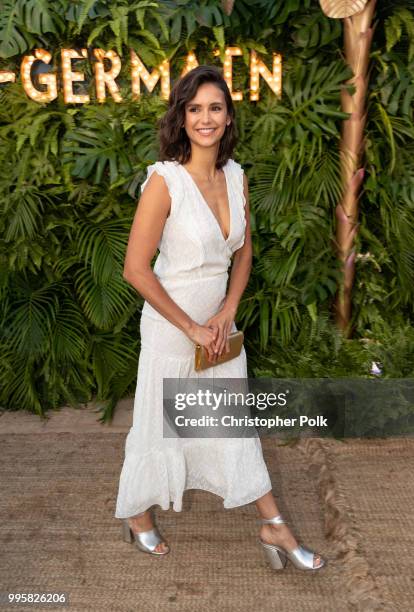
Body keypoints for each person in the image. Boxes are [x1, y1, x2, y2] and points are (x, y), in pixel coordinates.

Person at [114, 65, 325, 571]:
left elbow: (244, 253)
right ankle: (138, 515)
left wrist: (228, 311)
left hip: (220, 330)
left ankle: (271, 522)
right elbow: (135, 270)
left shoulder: (236, 177)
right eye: (194, 109)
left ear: (229, 117)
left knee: (230, 425)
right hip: (173, 327)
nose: (205, 118)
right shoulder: (164, 181)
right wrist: (191, 326)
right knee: (158, 426)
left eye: (214, 107)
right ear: (181, 119)